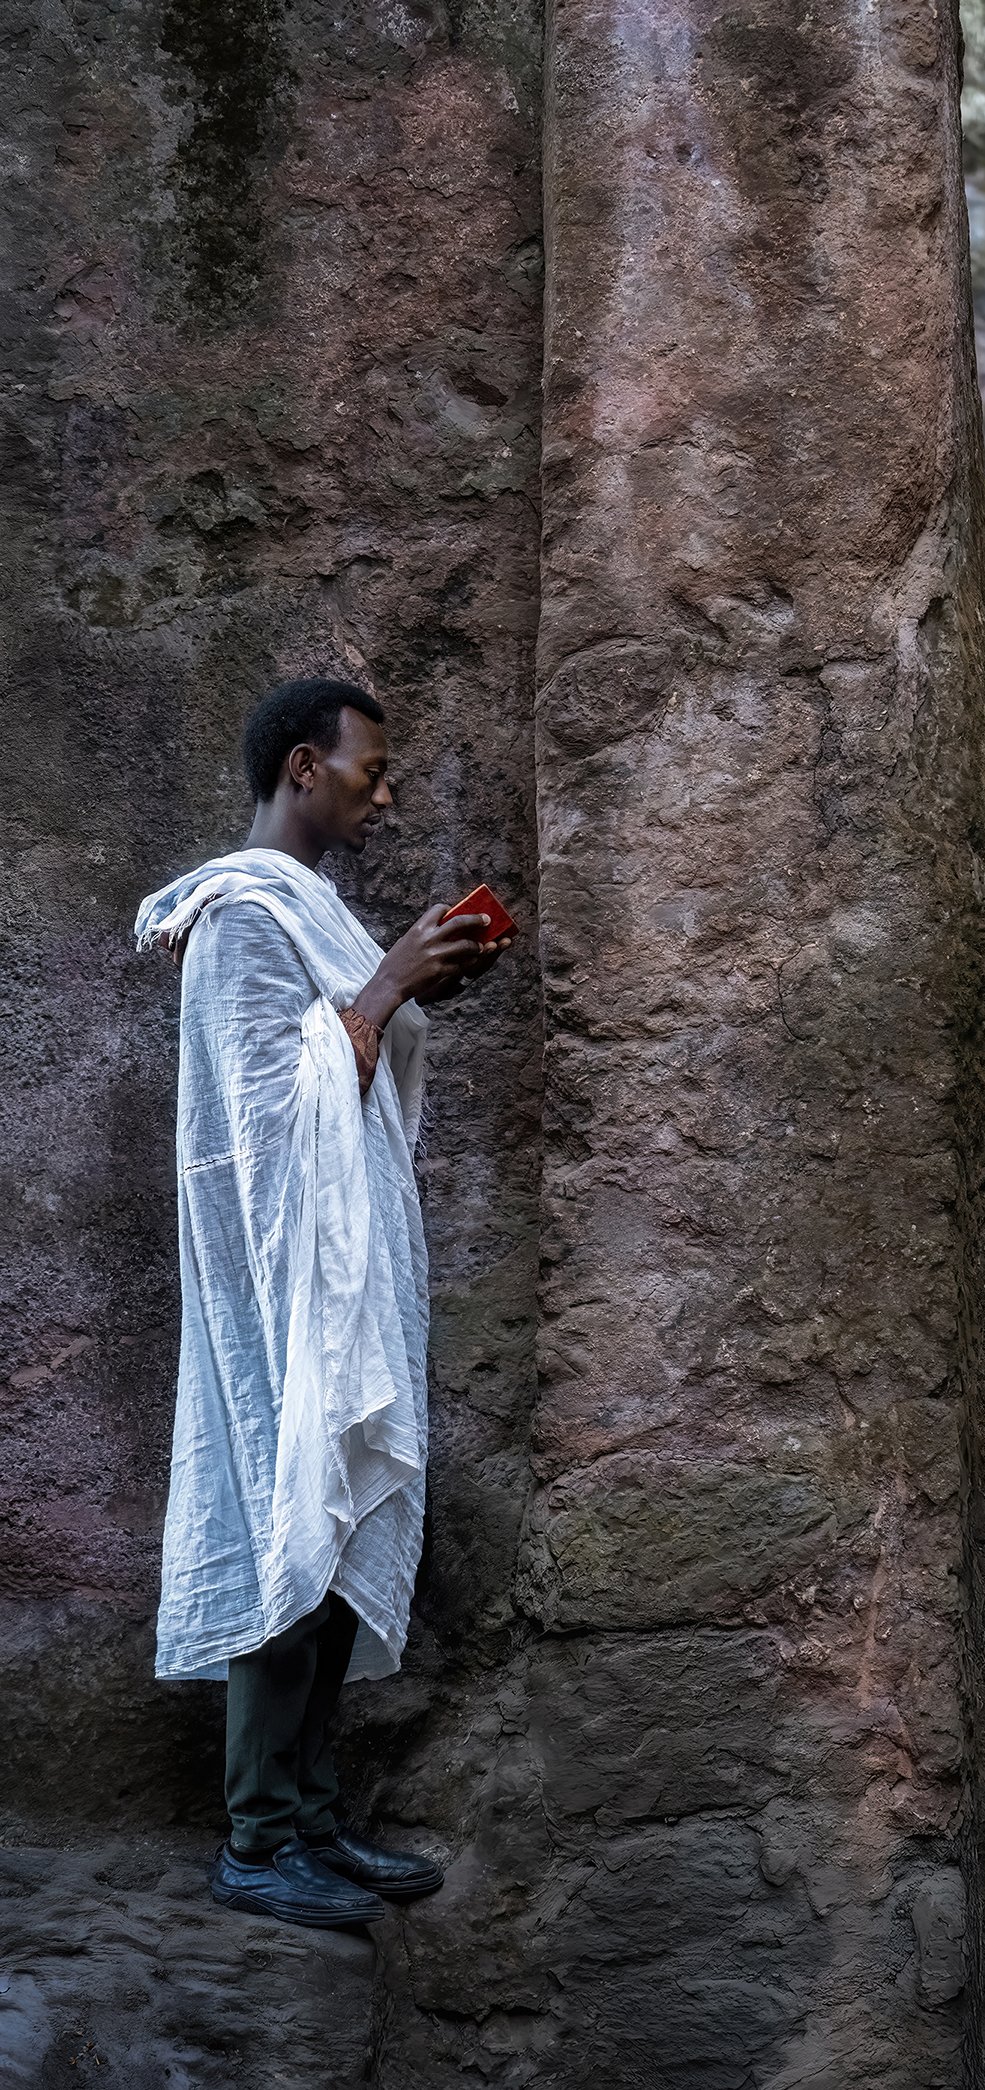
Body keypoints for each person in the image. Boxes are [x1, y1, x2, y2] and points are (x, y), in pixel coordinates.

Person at [135, 678, 507, 1930]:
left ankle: (313, 1814)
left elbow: (341, 1055)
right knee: (285, 1510)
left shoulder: (310, 911)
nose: (384, 791)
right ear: (305, 765)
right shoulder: (242, 916)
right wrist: (392, 979)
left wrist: (410, 987)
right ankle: (255, 1835)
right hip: (277, 1266)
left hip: (344, 1261)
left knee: (341, 1518)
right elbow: (261, 1120)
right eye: (369, 769)